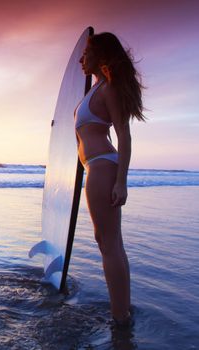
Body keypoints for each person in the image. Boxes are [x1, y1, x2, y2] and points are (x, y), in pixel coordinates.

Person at [75, 32, 145, 328]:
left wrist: (121, 181)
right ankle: (123, 310)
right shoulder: (96, 88)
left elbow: (124, 134)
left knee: (110, 243)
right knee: (109, 241)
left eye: (86, 53)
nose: (81, 59)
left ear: (100, 55)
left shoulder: (109, 90)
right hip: (95, 167)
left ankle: (120, 318)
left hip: (104, 167)